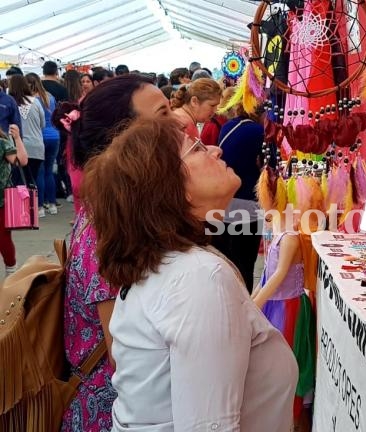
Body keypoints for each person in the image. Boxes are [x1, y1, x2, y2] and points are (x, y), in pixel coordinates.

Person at [82, 117, 297, 431]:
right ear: (170, 189)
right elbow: (209, 427)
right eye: (196, 148)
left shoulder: (182, 265)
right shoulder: (198, 278)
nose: (215, 150)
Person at [53, 74, 173, 432]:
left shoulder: (120, 213)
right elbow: (122, 355)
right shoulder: (107, 229)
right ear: (123, 140)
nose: (179, 123)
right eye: (163, 115)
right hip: (110, 414)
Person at [253, 166, 319, 432]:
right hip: (275, 303)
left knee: (287, 360)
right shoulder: (278, 233)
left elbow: (279, 276)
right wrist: (252, 298)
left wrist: (255, 302)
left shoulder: (290, 238)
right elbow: (267, 274)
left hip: (288, 306)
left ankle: (288, 416)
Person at [211, 99, 263, 287]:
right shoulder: (258, 131)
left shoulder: (228, 126)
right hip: (247, 204)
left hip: (225, 202)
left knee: (227, 258)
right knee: (245, 262)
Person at [26, 72, 60, 215]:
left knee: (38, 173)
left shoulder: (31, 100)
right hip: (54, 136)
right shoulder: (50, 97)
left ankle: (39, 207)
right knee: (49, 171)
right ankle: (52, 204)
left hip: (39, 137)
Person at [0, 125, 28, 274]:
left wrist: (17, 138)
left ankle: (11, 268)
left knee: (2, 238)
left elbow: (21, 161)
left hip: (1, 200)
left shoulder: (2, 143)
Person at [7, 75, 45, 183]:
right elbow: (42, 124)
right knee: (32, 182)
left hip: (16, 148)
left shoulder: (9, 103)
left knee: (17, 185)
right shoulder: (36, 102)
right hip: (36, 147)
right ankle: (37, 200)